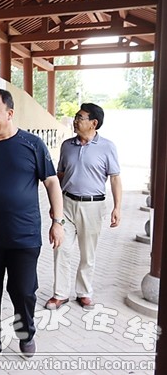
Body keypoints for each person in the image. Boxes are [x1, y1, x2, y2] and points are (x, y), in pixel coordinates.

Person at [0, 88, 64, 365]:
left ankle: (26, 334)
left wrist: (58, 222)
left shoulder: (32, 144)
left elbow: (52, 182)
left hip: (24, 235)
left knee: (23, 291)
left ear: (9, 113)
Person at [45, 103, 122, 311]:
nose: (75, 121)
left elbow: (115, 178)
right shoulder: (67, 145)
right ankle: (60, 294)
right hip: (67, 205)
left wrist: (117, 207)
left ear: (93, 123)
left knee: (88, 253)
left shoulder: (107, 147)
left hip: (93, 206)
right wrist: (55, 205)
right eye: (76, 117)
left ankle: (84, 293)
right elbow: (60, 175)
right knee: (61, 248)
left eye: (80, 117)